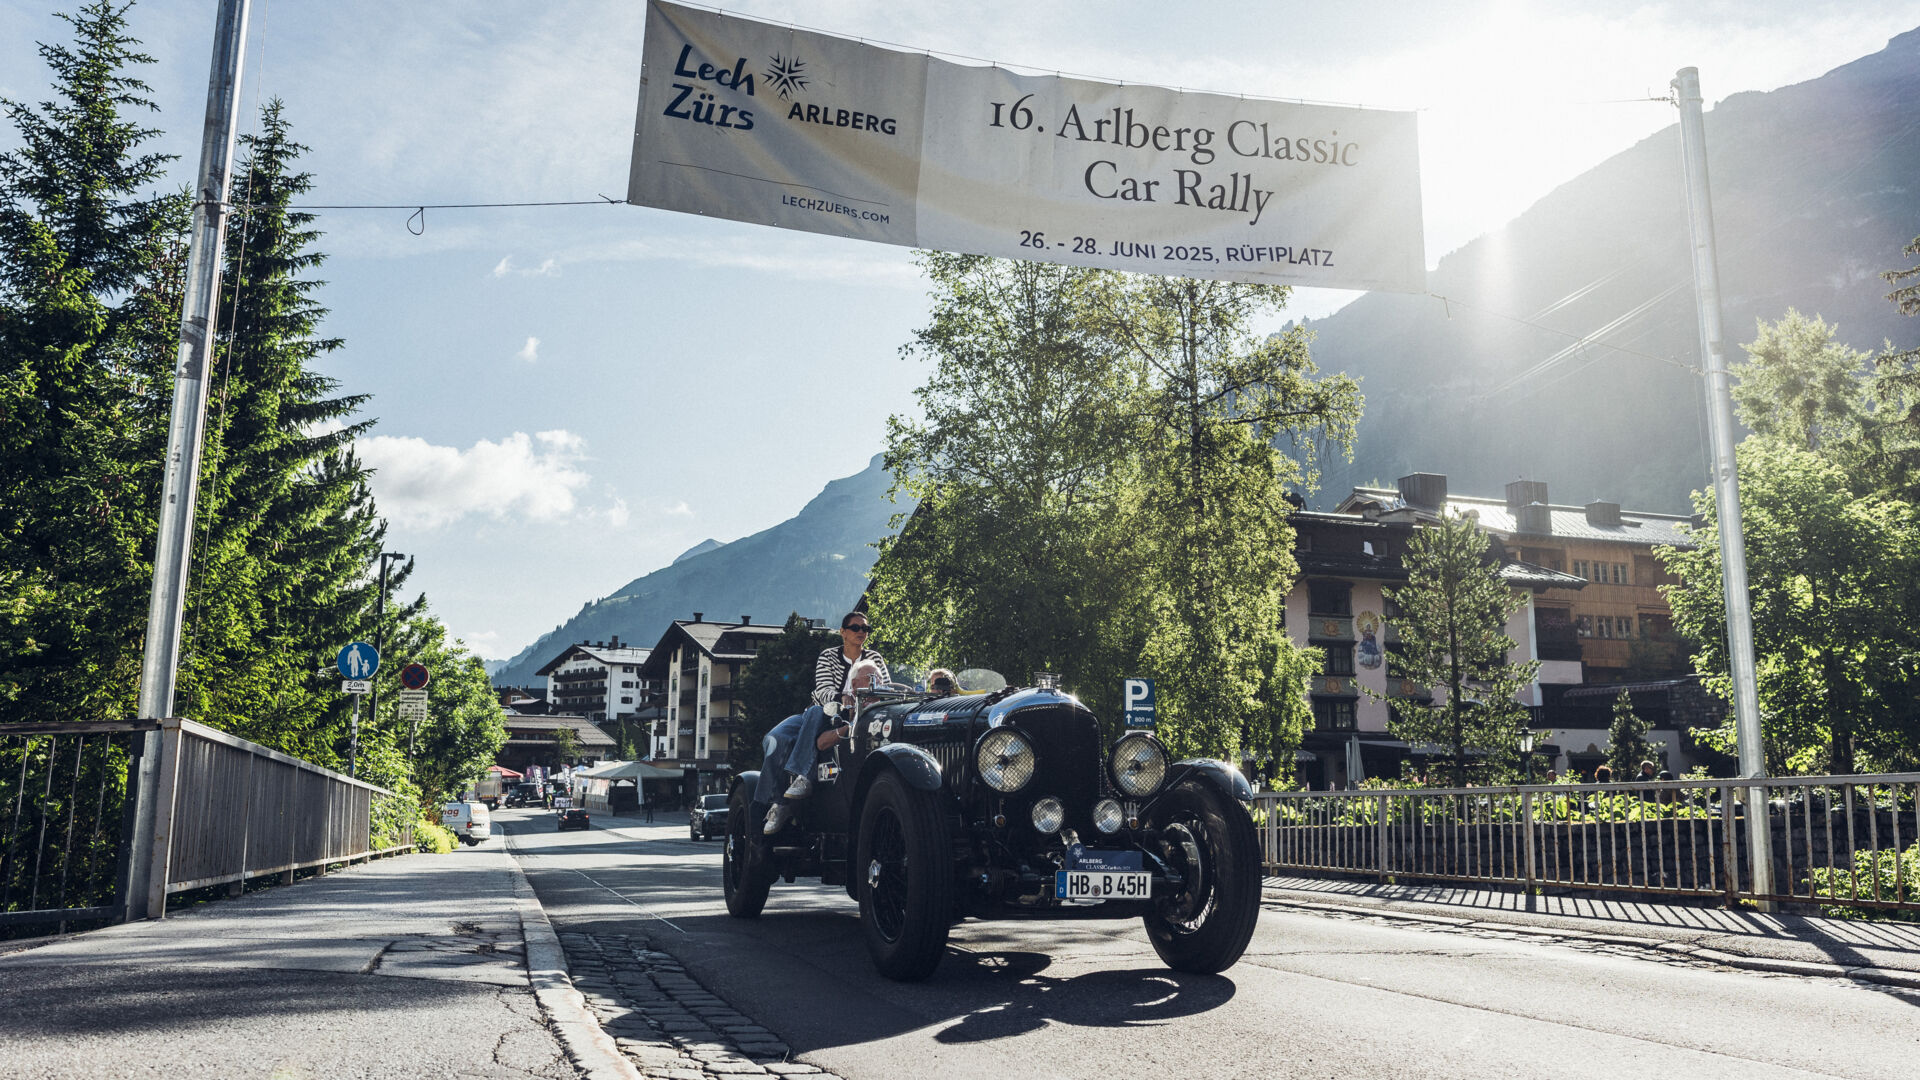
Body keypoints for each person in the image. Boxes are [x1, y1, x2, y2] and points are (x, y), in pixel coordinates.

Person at [758, 612, 890, 834]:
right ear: (843, 632)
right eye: (855, 628)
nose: (861, 632)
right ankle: (775, 802)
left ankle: (798, 783)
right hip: (821, 713)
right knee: (775, 738)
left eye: (865, 629)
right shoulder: (828, 656)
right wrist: (842, 698)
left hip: (855, 714)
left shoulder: (874, 658)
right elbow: (822, 691)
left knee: (815, 716)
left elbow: (885, 688)